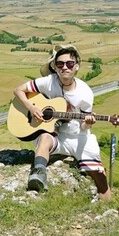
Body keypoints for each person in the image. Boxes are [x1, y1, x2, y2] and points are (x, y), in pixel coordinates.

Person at [12, 44, 111, 202]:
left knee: (99, 176)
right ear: (55, 67)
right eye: (60, 64)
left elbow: (84, 126)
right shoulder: (49, 81)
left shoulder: (85, 92)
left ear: (76, 66)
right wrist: (31, 107)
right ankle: (38, 174)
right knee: (44, 138)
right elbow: (18, 90)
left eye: (69, 64)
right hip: (57, 135)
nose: (65, 67)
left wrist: (88, 123)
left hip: (79, 136)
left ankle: (107, 207)